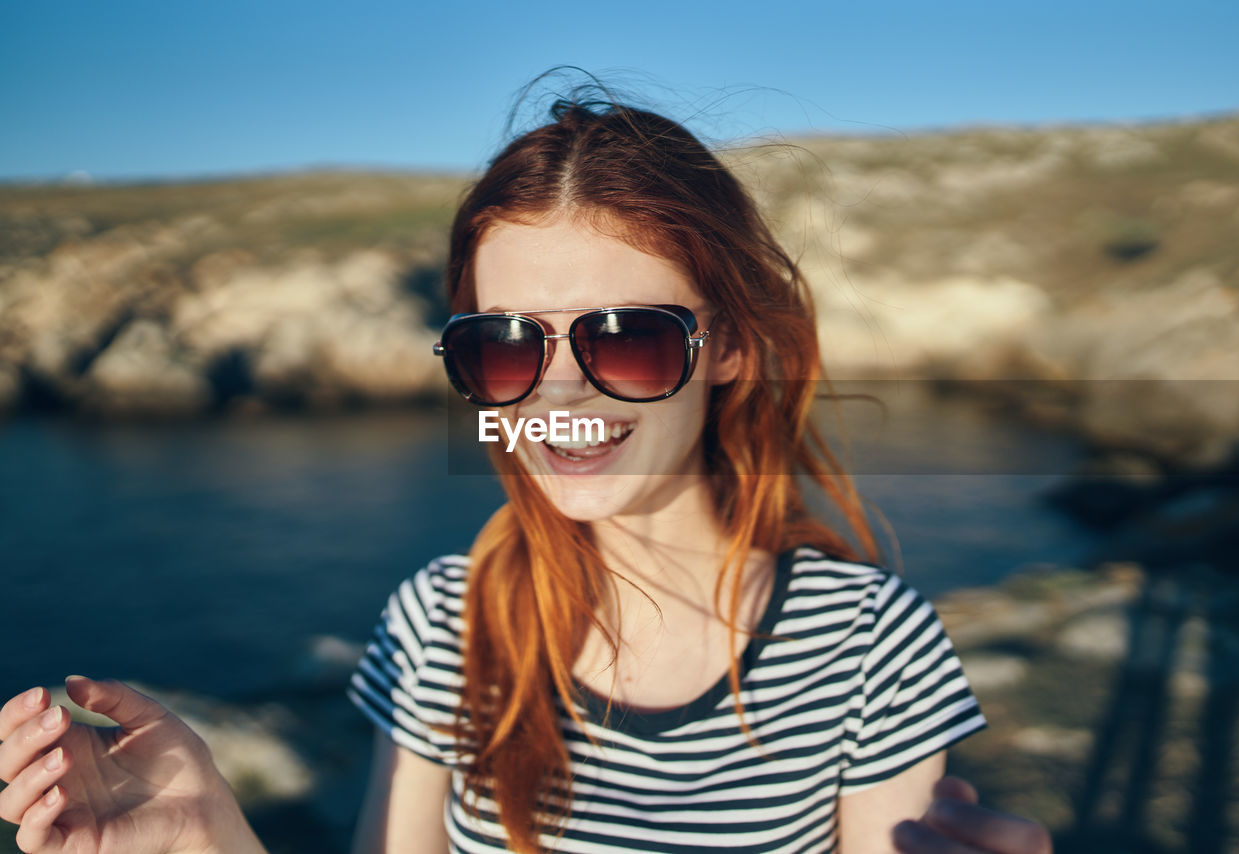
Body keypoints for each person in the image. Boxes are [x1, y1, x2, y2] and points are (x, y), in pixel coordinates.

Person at [0, 96, 1054, 854]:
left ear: (729, 346)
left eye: (626, 339)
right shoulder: (441, 623)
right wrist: (205, 829)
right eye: (503, 346)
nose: (556, 394)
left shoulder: (869, 645)